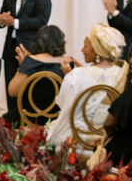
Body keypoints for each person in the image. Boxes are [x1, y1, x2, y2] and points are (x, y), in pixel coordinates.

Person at [46, 24, 127, 154]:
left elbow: (62, 104)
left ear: (97, 50)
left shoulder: (76, 75)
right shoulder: (123, 75)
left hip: (76, 138)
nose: (82, 50)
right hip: (108, 139)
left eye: (86, 46)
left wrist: (69, 77)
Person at [0, 0, 52, 123]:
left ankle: (26, 121)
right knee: (10, 86)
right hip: (10, 48)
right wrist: (1, 20)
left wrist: (15, 22)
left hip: (31, 50)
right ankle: (12, 121)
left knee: (28, 87)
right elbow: (3, 18)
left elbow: (42, 21)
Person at [6, 24, 67, 123]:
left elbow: (12, 92)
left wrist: (22, 66)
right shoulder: (67, 62)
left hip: (29, 116)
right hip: (58, 118)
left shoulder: (30, 61)